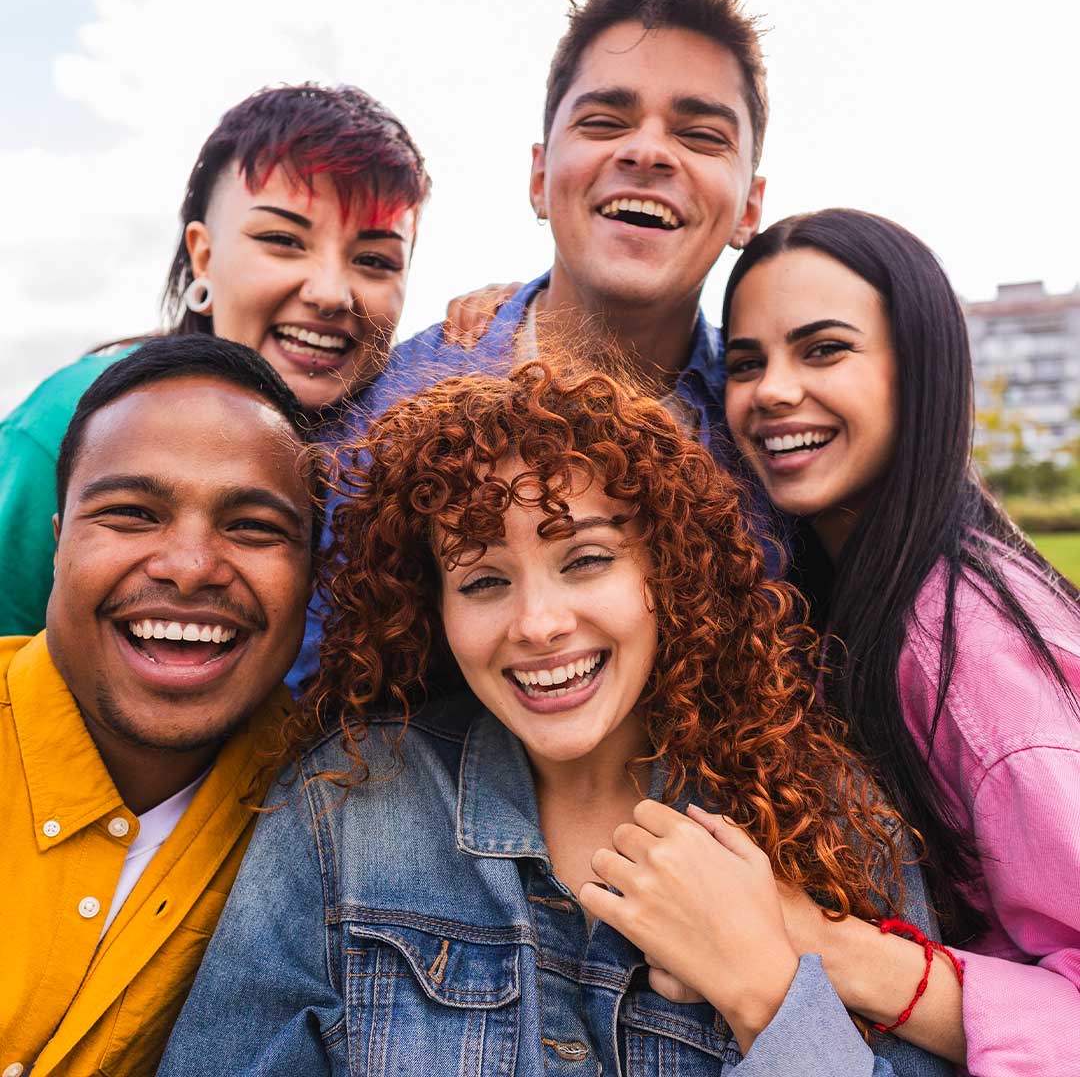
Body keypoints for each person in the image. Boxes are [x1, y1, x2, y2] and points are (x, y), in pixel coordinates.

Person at [160, 359, 950, 1075]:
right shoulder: (343, 810)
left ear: (666, 573)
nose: (538, 623)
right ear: (430, 610)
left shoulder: (823, 814)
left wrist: (762, 996)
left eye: (586, 561)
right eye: (482, 582)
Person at [287, 0, 770, 691]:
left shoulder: (772, 426)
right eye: (605, 122)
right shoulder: (396, 408)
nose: (647, 151)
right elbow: (324, 686)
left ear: (749, 207)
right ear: (540, 178)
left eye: (700, 135)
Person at [721, 208, 1080, 1074]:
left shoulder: (965, 646)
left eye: (823, 350)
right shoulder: (838, 587)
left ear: (917, 373)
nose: (772, 389)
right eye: (745, 362)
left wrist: (826, 948)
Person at [0, 82, 429, 637]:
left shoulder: (409, 452)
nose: (330, 293)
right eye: (283, 240)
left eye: (374, 259)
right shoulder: (72, 418)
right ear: (204, 254)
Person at [0, 336, 318, 1076]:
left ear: (312, 576)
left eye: (253, 527)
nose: (189, 567)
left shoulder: (341, 814)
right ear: (56, 543)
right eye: (131, 513)